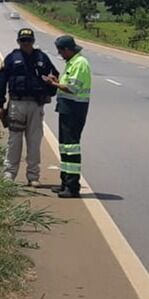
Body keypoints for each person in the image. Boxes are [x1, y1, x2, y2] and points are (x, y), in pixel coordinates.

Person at [0, 27, 59, 186]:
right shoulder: (11, 58)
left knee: (34, 142)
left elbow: (54, 77)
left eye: (29, 40)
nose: (26, 43)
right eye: (23, 40)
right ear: (18, 41)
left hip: (36, 105)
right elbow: (1, 82)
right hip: (17, 104)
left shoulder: (42, 58)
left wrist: (49, 92)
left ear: (33, 41)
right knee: (14, 141)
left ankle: (33, 177)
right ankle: (9, 174)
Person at [43, 34, 92, 198]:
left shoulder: (80, 63)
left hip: (74, 109)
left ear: (68, 50)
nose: (60, 55)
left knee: (71, 148)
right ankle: (65, 182)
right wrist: (57, 81)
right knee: (64, 147)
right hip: (67, 108)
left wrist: (53, 83)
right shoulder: (72, 63)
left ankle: (72, 186)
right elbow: (67, 84)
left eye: (61, 51)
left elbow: (72, 88)